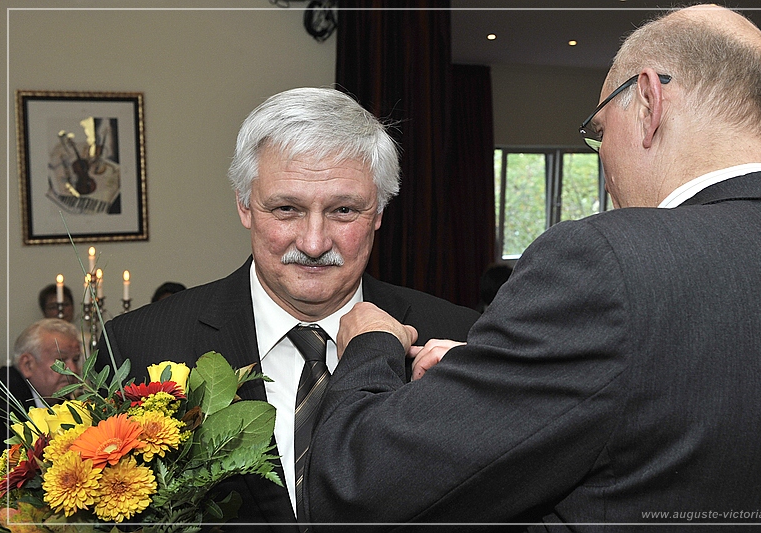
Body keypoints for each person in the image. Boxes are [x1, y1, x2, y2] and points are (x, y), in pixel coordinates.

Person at [305, 5, 761, 529]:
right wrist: (496, 377)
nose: (603, 161)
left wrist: (372, 346)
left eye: (599, 131)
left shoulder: (606, 260)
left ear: (649, 101)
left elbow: (356, 488)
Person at [96, 87, 479, 530]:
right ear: (244, 206)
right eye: (286, 208)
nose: (314, 243)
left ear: (377, 213)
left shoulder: (461, 339)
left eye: (343, 210)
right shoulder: (138, 346)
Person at [0, 319, 82, 439]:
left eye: (75, 359)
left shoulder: (64, 401)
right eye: (61, 360)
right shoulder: (3, 400)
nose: (73, 370)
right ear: (28, 365)